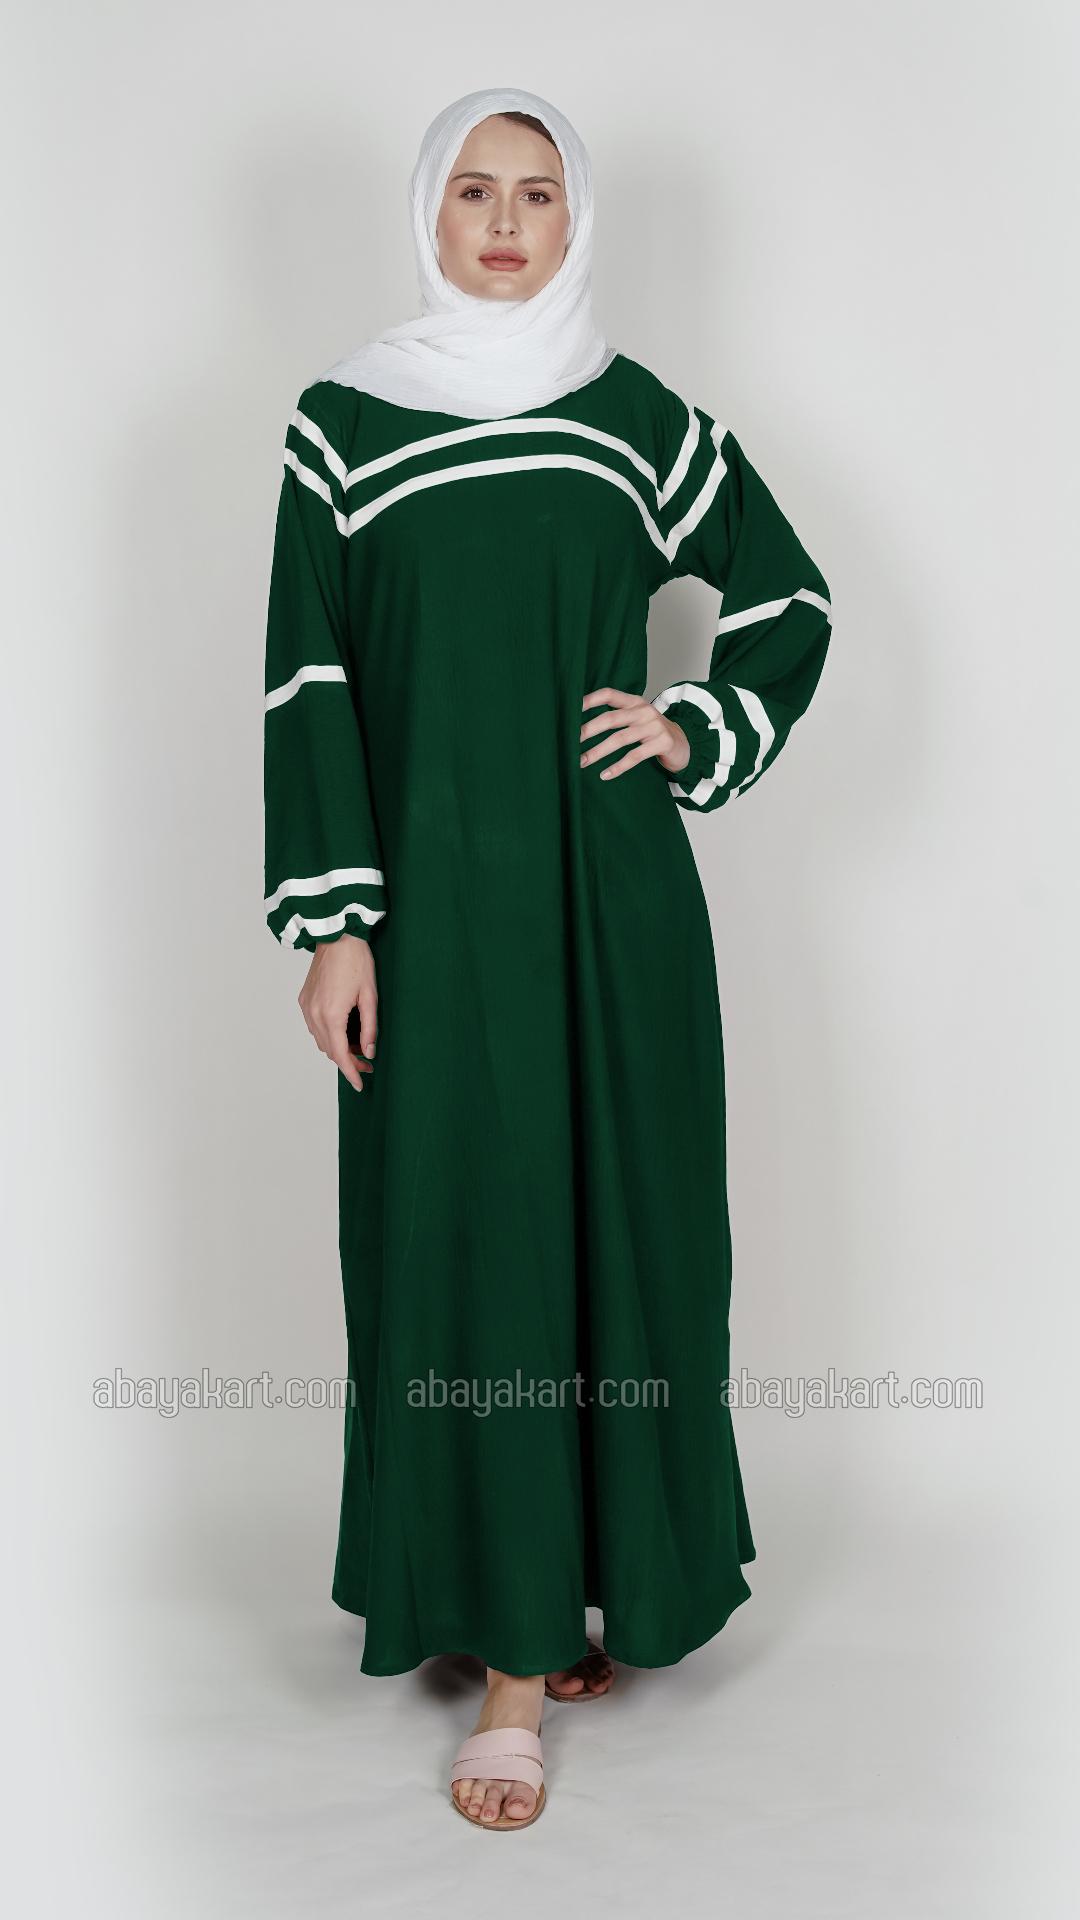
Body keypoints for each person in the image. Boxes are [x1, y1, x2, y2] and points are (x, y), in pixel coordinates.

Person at [262, 85, 832, 1831]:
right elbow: (309, 677)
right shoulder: (345, 424)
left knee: (619, 1236)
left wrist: (692, 724)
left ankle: (579, 1599)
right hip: (436, 920)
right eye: (473, 192)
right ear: (427, 210)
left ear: (576, 220)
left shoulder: (630, 414)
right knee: (465, 1245)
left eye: (537, 194)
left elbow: (789, 594)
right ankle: (507, 1637)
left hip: (610, 899)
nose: (506, 225)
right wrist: (335, 923)